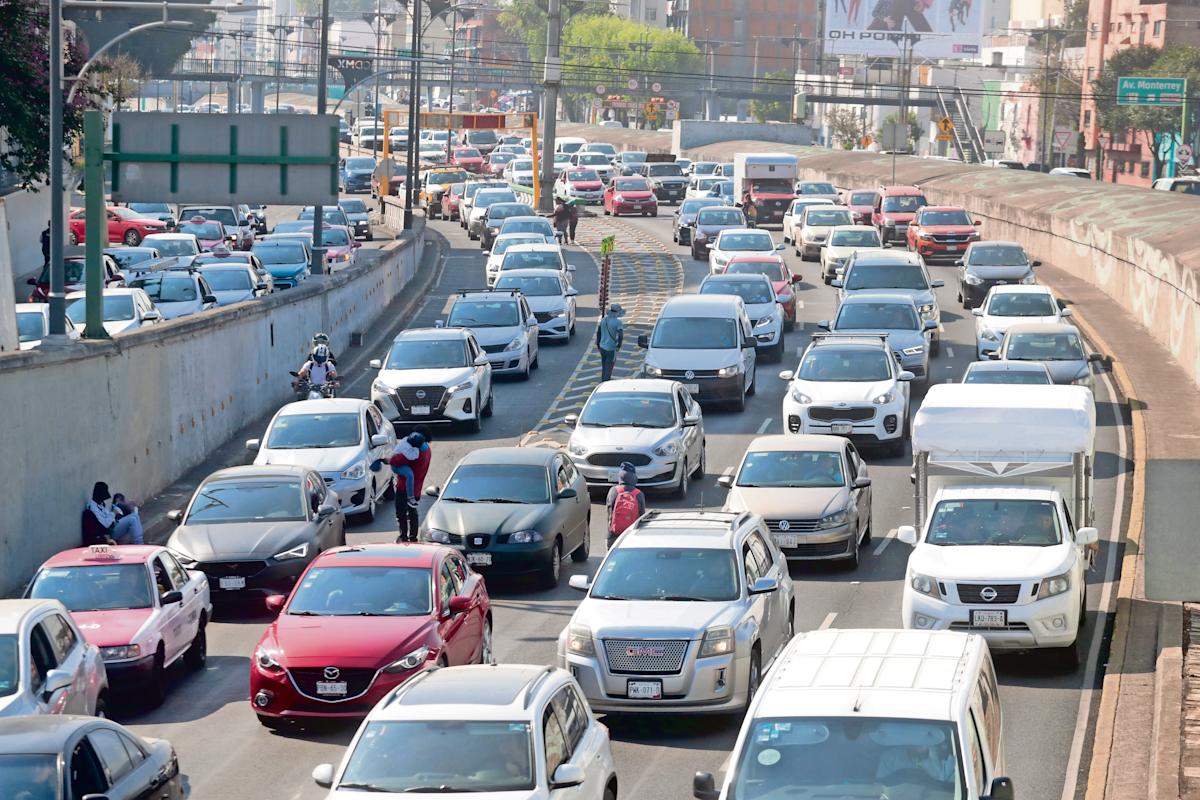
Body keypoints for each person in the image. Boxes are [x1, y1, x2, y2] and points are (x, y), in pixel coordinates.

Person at [387, 427, 432, 542]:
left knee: (401, 512)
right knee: (413, 512)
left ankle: (403, 536)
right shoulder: (427, 450)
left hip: (404, 487)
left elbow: (394, 460)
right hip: (417, 487)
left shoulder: (414, 454)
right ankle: (413, 536)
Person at [80, 482, 143, 546]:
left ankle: (139, 542)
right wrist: (113, 513)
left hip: (114, 525)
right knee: (132, 519)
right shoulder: (93, 508)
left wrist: (115, 515)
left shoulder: (100, 505)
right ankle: (139, 544)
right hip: (109, 532)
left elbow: (108, 516)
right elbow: (105, 524)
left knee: (134, 515)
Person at [606, 462, 645, 549]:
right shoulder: (639, 494)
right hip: (631, 534)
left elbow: (609, 513)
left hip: (614, 534)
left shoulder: (613, 491)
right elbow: (642, 517)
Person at [596, 303, 625, 382]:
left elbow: (599, 333)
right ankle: (605, 383)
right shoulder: (618, 322)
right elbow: (621, 335)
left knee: (604, 367)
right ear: (617, 312)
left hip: (602, 347)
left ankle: (602, 381)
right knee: (609, 368)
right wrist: (619, 345)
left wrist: (598, 344)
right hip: (611, 348)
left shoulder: (603, 320)